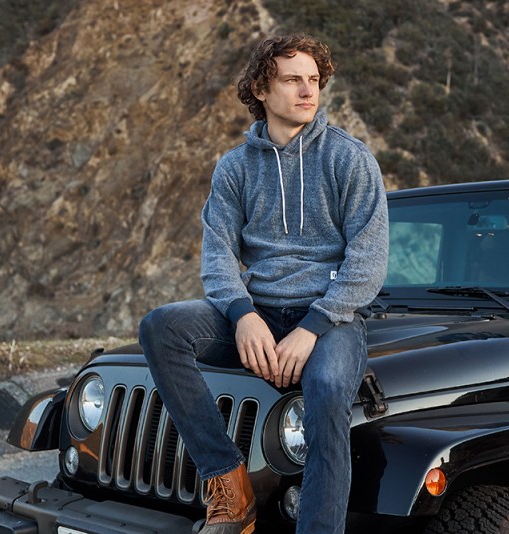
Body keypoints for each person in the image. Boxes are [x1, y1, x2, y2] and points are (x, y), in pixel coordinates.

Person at [138, 34, 389, 534]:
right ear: (260, 87)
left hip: (332, 319)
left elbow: (370, 261)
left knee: (325, 386)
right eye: (292, 79)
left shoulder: (349, 158)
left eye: (314, 80)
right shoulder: (235, 166)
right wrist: (242, 314)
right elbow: (217, 256)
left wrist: (313, 326)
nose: (307, 91)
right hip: (260, 312)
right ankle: (229, 488)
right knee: (161, 328)